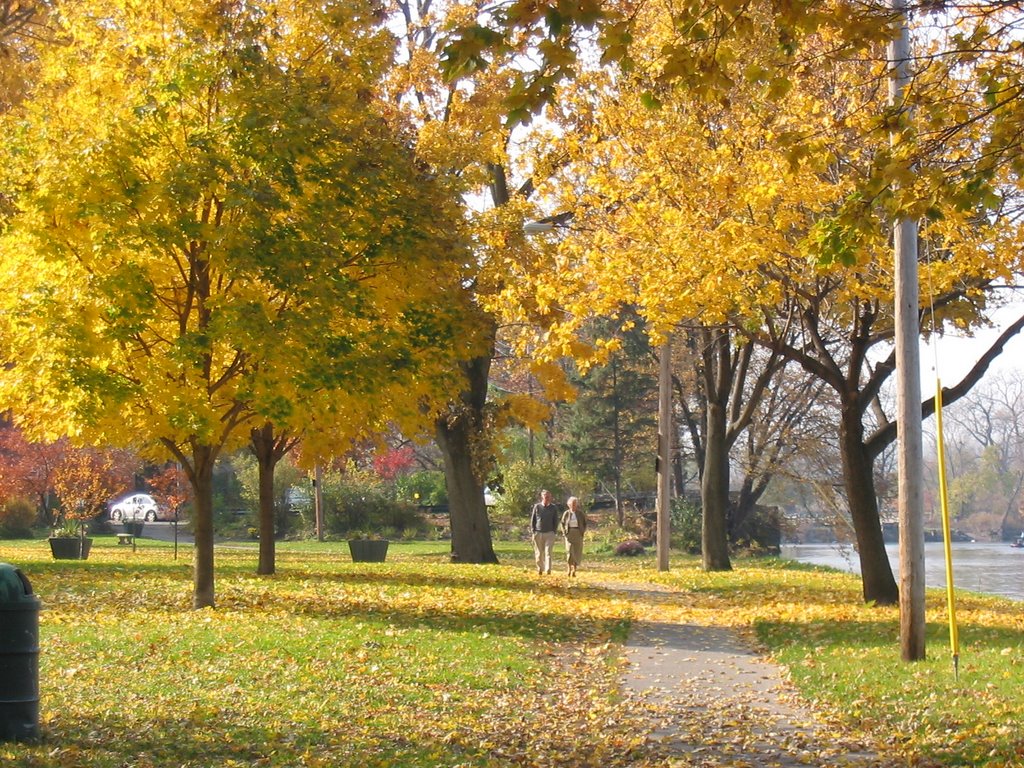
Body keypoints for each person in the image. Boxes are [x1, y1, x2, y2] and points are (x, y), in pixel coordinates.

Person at [529, 489, 560, 575]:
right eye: (545, 496)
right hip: (538, 533)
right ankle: (540, 568)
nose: (547, 498)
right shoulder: (537, 507)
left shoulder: (553, 508)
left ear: (550, 497)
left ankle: (548, 569)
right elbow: (533, 520)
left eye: (548, 497)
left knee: (548, 552)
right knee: (539, 553)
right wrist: (533, 531)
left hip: (549, 533)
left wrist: (554, 531)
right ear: (542, 497)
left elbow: (555, 521)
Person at [560, 496, 587, 577]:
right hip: (569, 533)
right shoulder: (566, 513)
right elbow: (562, 523)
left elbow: (585, 523)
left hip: (578, 533)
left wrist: (582, 531)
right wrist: (564, 533)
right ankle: (569, 568)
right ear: (569, 505)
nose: (573, 506)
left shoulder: (580, 513)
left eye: (575, 504)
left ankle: (574, 570)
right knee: (569, 552)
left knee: (576, 552)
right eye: (572, 504)